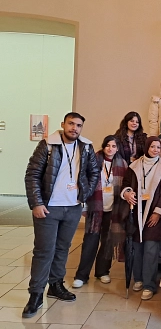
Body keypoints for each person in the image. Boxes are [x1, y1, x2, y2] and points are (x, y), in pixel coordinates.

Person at [23, 112, 100, 318]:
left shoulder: (86, 146)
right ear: (63, 125)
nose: (74, 128)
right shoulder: (48, 145)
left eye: (79, 125)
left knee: (63, 249)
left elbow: (94, 172)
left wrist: (84, 193)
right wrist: (36, 203)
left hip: (73, 206)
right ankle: (35, 294)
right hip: (49, 207)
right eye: (71, 124)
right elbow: (32, 175)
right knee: (43, 251)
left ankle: (56, 285)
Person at [120, 136, 161, 300]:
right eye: (153, 147)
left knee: (151, 249)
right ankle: (139, 279)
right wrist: (127, 193)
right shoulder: (134, 165)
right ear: (147, 147)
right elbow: (126, 185)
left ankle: (149, 284)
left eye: (158, 147)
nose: (156, 150)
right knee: (137, 248)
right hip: (136, 210)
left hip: (154, 212)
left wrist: (158, 212)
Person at [72, 135, 128, 288]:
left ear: (117, 148)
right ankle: (81, 275)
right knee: (90, 241)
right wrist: (84, 205)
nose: (111, 149)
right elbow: (83, 183)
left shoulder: (122, 164)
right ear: (103, 146)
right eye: (108, 145)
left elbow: (126, 186)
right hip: (95, 208)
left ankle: (103, 272)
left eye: (114, 146)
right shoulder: (94, 160)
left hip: (113, 208)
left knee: (108, 242)